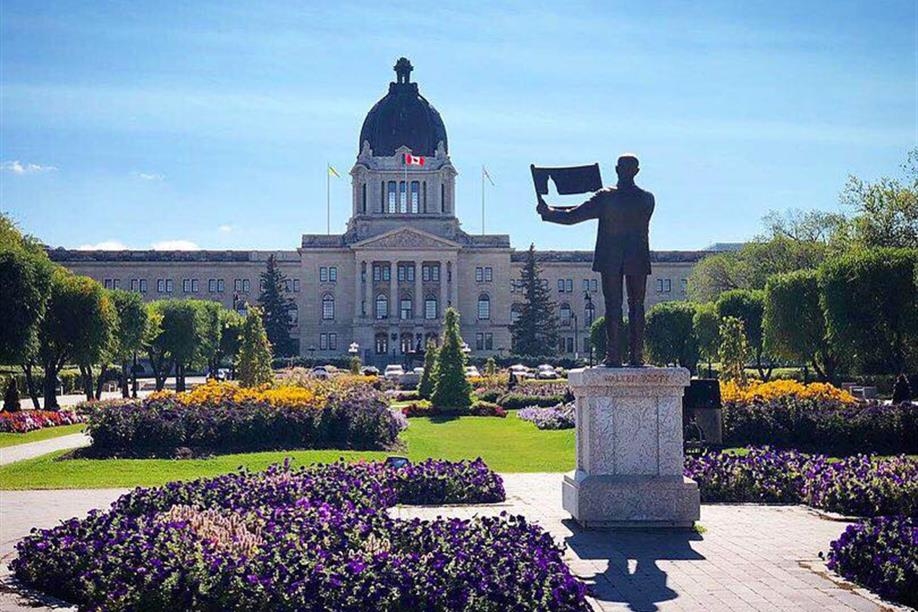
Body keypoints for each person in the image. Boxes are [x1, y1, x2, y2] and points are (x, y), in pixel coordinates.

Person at [537, 154, 655, 366]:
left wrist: (549, 212)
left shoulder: (605, 197)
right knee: (637, 306)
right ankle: (637, 356)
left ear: (617, 169)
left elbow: (573, 216)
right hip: (637, 256)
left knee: (613, 305)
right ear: (637, 172)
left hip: (611, 258)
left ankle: (614, 356)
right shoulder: (647, 199)